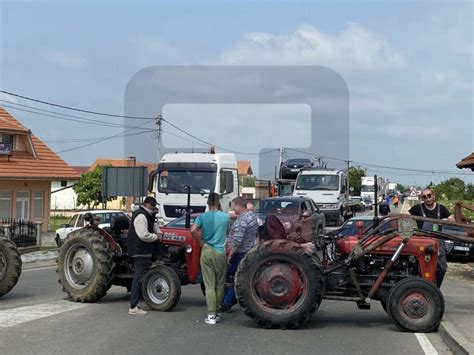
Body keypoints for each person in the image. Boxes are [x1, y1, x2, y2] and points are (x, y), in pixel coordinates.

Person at [191, 193, 229, 325]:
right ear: (219, 203)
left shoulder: (202, 216)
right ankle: (217, 312)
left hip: (207, 250)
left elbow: (193, 230)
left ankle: (211, 315)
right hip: (220, 252)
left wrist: (200, 242)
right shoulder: (225, 217)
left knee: (209, 285)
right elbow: (227, 233)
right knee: (220, 284)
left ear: (207, 203)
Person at [409, 188, 453, 287]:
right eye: (424, 196)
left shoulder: (441, 209)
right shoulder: (417, 208)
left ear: (433, 195)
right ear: (422, 198)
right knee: (422, 269)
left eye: (429, 195)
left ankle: (435, 289)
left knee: (442, 268)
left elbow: (451, 219)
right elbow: (405, 218)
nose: (427, 198)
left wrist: (447, 220)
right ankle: (423, 289)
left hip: (438, 242)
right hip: (422, 243)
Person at [127, 196, 163, 315]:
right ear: (147, 204)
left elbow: (154, 226)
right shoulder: (141, 216)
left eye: (155, 205)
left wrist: (159, 232)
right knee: (139, 277)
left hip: (144, 250)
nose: (154, 207)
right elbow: (143, 235)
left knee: (141, 276)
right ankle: (133, 307)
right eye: (153, 205)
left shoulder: (149, 215)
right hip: (139, 250)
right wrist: (156, 237)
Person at [223, 197, 259, 312]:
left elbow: (237, 240)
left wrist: (230, 255)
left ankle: (226, 303)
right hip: (248, 250)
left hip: (239, 253)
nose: (233, 208)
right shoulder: (252, 217)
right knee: (236, 277)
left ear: (239, 206)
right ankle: (229, 301)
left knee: (226, 275)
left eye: (233, 206)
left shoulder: (242, 220)